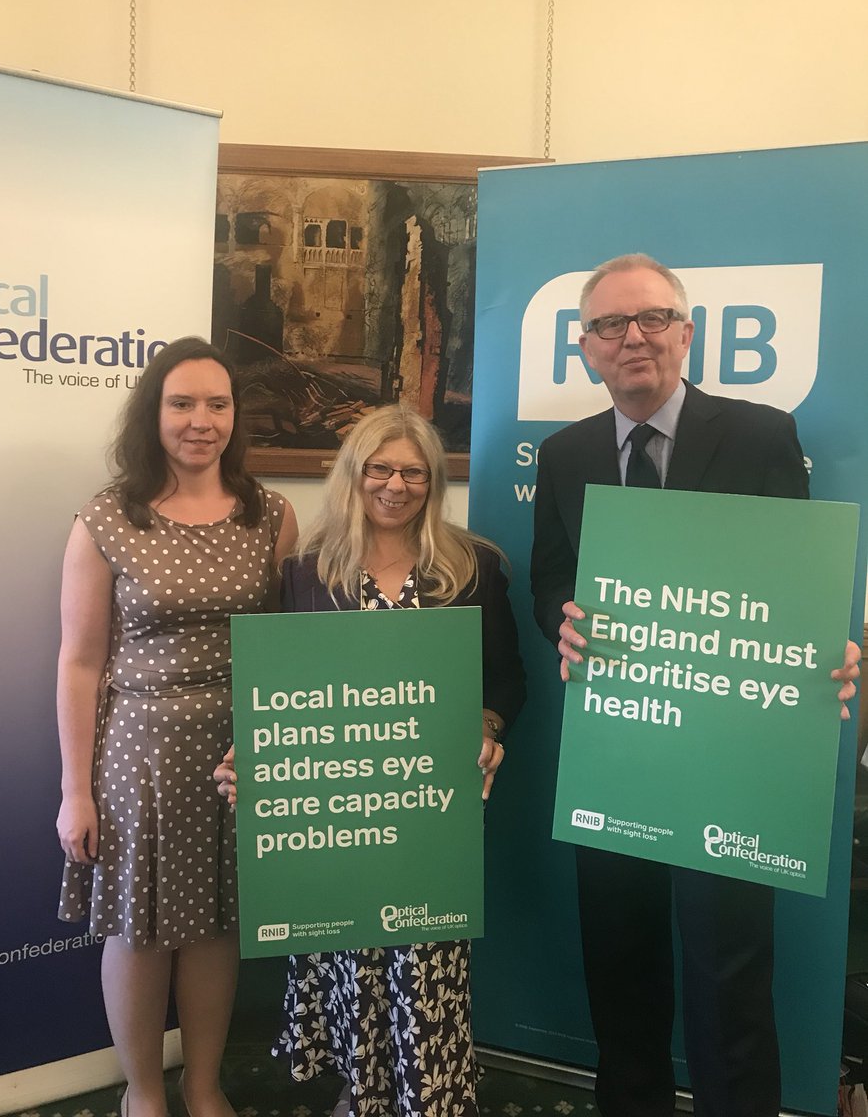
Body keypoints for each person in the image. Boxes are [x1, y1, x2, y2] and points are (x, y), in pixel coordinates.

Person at [530, 252, 861, 1117]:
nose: (631, 338)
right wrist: (563, 616)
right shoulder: (565, 455)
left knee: (730, 972)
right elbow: (546, 581)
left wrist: (826, 643)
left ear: (685, 331)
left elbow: (795, 584)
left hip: (727, 757)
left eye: (649, 319)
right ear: (587, 347)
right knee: (621, 959)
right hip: (617, 748)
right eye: (609, 325)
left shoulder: (759, 433)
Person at [215, 403, 526, 1117]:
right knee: (346, 959)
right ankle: (358, 1094)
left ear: (432, 482)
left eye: (413, 472)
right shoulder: (306, 570)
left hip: (431, 807)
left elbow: (509, 677)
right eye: (379, 469)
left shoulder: (473, 568)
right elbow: (282, 689)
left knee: (425, 963)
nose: (395, 485)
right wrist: (257, 756)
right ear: (353, 476)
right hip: (338, 810)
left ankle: (432, 1097)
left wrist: (486, 722)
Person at [56, 336, 298, 1117]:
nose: (202, 421)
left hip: (238, 754)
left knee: (217, 929)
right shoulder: (107, 516)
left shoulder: (272, 515)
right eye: (183, 403)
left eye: (218, 404)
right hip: (140, 754)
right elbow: (80, 664)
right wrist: (75, 793)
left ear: (235, 415)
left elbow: (285, 649)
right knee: (138, 931)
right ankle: (144, 1094)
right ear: (152, 413)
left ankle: (203, 1086)